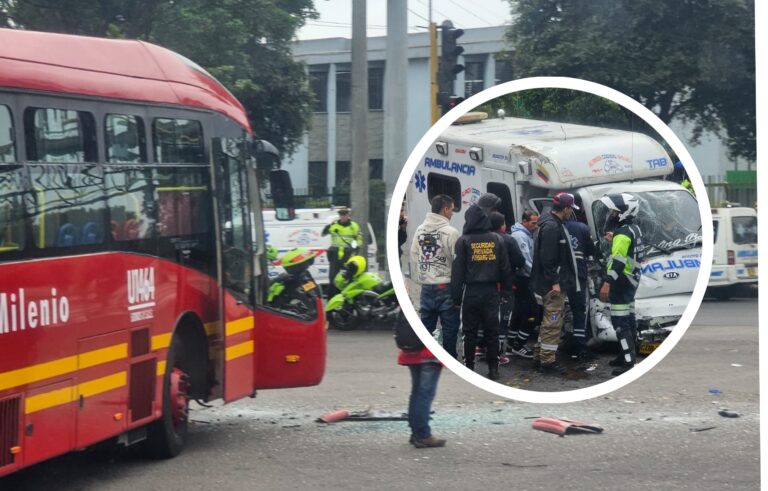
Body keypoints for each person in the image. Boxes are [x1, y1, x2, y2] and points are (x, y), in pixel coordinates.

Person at [450, 193, 513, 381]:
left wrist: (455, 298)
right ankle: (494, 369)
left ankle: (469, 366)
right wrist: (506, 292)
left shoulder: (463, 241)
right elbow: (505, 268)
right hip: (492, 292)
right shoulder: (497, 239)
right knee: (492, 332)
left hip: (471, 293)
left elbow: (458, 273)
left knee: (469, 333)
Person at [529, 192, 579, 375]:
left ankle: (539, 356)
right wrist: (555, 282)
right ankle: (548, 361)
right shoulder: (552, 227)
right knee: (553, 322)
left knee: (547, 322)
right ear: (565, 208)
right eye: (571, 209)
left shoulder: (550, 224)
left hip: (547, 282)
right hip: (551, 285)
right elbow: (548, 258)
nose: (571, 212)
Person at [410, 195, 461, 358]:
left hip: (426, 286)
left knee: (425, 326)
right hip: (445, 285)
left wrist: (426, 269)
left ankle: (421, 357)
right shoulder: (451, 232)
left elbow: (413, 253)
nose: (452, 213)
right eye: (451, 209)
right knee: (450, 327)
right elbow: (457, 261)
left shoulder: (419, 230)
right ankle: (449, 359)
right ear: (445, 209)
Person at [598, 193, 643, 376]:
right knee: (629, 320)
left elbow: (618, 261)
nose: (611, 213)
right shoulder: (633, 229)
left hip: (621, 282)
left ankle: (627, 362)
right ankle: (625, 354)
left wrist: (607, 283)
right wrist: (614, 237)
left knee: (619, 322)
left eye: (615, 211)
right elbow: (632, 254)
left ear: (625, 212)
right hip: (632, 280)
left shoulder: (623, 234)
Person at [395, 311, 446, 448]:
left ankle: (416, 432)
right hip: (430, 353)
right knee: (425, 394)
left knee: (417, 392)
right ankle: (423, 434)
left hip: (411, 349)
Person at [489, 211, 525, 364]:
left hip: (486, 286)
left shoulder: (482, 238)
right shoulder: (508, 240)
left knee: (487, 320)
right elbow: (520, 260)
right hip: (505, 286)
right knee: (503, 321)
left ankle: (481, 348)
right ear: (502, 225)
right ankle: (498, 355)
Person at [563, 212, 597, 360]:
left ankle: (559, 343)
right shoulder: (583, 228)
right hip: (578, 274)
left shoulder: (553, 226)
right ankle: (580, 347)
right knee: (579, 311)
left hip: (558, 276)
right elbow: (591, 250)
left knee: (556, 311)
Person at [508, 209, 539, 359]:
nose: (536, 226)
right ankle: (519, 344)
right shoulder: (520, 236)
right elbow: (525, 261)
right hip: (522, 279)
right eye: (533, 223)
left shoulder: (526, 234)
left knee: (519, 311)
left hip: (522, 278)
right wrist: (537, 276)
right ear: (524, 222)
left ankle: (511, 342)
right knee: (533, 312)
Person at [322, 207, 364, 296]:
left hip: (347, 256)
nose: (343, 216)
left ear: (348, 215)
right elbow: (323, 234)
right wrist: (328, 226)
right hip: (335, 256)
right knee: (333, 278)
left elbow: (359, 239)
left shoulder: (354, 226)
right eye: (341, 214)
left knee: (347, 278)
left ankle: (346, 297)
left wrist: (354, 248)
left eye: (345, 214)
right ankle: (332, 299)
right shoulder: (334, 225)